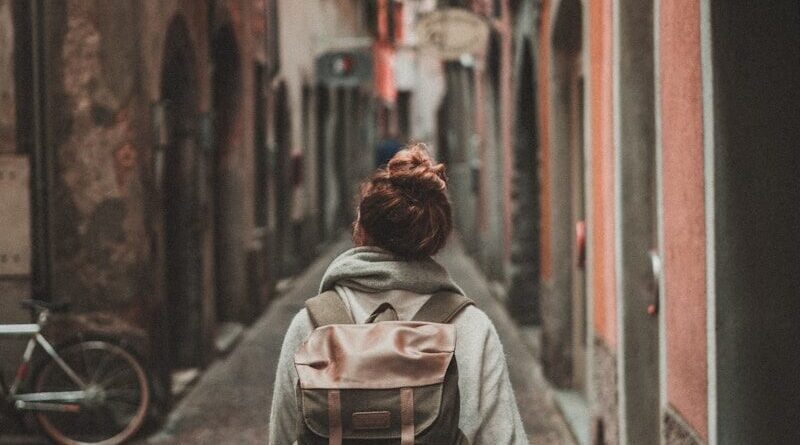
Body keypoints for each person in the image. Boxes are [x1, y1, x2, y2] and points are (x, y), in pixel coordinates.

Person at [268, 143, 528, 445]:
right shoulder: (471, 329)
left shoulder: (310, 328)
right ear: (436, 238)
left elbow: (282, 438)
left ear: (361, 230)